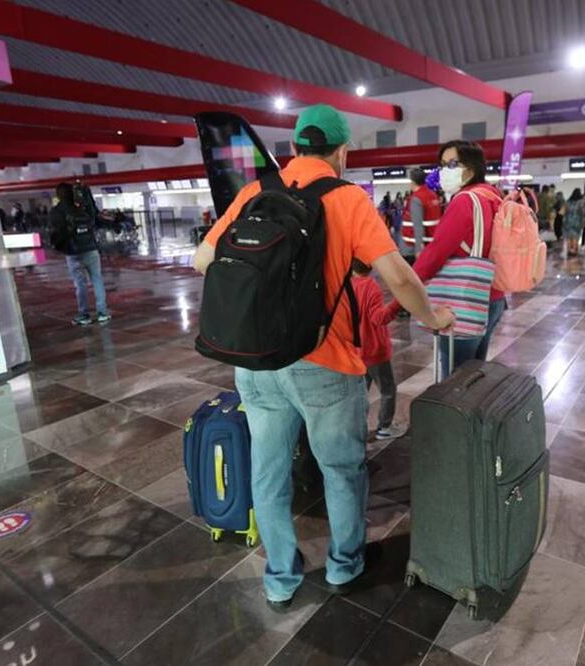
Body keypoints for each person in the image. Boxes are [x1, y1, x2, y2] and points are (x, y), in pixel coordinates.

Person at [192, 104, 453, 611]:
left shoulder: (254, 192)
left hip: (258, 363)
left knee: (268, 472)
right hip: (325, 362)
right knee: (341, 469)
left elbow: (203, 259)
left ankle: (280, 576)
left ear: (294, 148)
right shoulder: (347, 198)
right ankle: (343, 563)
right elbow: (397, 277)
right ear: (342, 152)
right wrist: (432, 316)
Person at [385, 140, 505, 378]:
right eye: (442, 165)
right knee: (473, 374)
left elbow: (435, 254)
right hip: (493, 296)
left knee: (454, 381)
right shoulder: (493, 195)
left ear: (471, 168)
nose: (444, 171)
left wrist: (397, 303)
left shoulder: (465, 200)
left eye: (451, 164)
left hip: (465, 302)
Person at [49, 182, 110, 326]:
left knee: (80, 284)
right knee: (97, 279)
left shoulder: (57, 211)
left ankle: (84, 315)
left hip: (73, 252)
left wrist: (59, 247)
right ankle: (102, 312)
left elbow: (55, 232)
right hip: (91, 248)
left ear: (58, 195)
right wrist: (86, 192)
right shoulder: (82, 207)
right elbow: (94, 215)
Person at [351, 259, 398, 440]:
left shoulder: (348, 286)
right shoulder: (371, 286)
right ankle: (384, 428)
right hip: (375, 350)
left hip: (357, 350)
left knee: (361, 394)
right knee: (387, 390)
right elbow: (379, 318)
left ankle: (358, 428)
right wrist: (398, 303)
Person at [404, 167, 440, 255]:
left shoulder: (417, 198)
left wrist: (418, 249)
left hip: (419, 244)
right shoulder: (433, 195)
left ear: (413, 182)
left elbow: (418, 225)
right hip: (433, 240)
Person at [564, 188, 585, 257]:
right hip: (577, 222)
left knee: (569, 237)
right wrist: (583, 222)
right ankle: (574, 250)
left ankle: (569, 250)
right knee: (575, 237)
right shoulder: (581, 202)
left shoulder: (568, 202)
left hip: (568, 222)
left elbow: (564, 212)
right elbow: (583, 213)